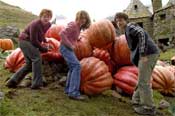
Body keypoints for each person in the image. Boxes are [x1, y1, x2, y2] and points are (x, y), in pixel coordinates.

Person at [114, 12, 160, 115]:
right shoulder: (127, 31)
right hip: (151, 54)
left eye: (120, 20)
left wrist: (143, 53)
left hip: (148, 54)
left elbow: (141, 34)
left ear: (126, 20)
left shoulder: (130, 26)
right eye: (117, 21)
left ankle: (149, 108)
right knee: (142, 79)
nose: (119, 22)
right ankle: (136, 101)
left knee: (143, 82)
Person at [6, 9, 53, 89]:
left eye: (48, 17)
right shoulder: (35, 24)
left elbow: (41, 34)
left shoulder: (48, 24)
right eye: (44, 16)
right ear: (40, 16)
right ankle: (37, 84)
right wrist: (44, 49)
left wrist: (45, 41)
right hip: (25, 41)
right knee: (37, 58)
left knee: (29, 65)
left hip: (30, 42)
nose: (46, 19)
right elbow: (34, 40)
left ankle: (12, 81)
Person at [59, 10, 91, 101]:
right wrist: (70, 45)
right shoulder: (73, 24)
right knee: (77, 66)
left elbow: (71, 36)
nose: (83, 20)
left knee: (72, 67)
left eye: (85, 18)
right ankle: (73, 93)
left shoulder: (78, 27)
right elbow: (62, 34)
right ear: (77, 17)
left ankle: (68, 90)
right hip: (65, 48)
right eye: (81, 18)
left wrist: (77, 39)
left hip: (67, 48)